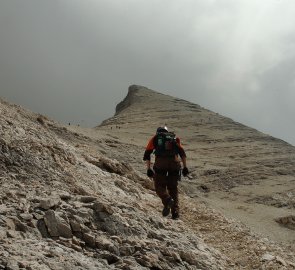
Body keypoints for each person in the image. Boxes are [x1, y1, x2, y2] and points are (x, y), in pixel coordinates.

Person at [143, 126, 189, 219]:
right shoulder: (175, 139)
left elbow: (147, 154)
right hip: (174, 164)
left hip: (161, 164)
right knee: (173, 188)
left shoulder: (155, 138)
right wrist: (185, 167)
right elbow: (182, 153)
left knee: (159, 186)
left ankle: (167, 200)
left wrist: (149, 168)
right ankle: (175, 212)